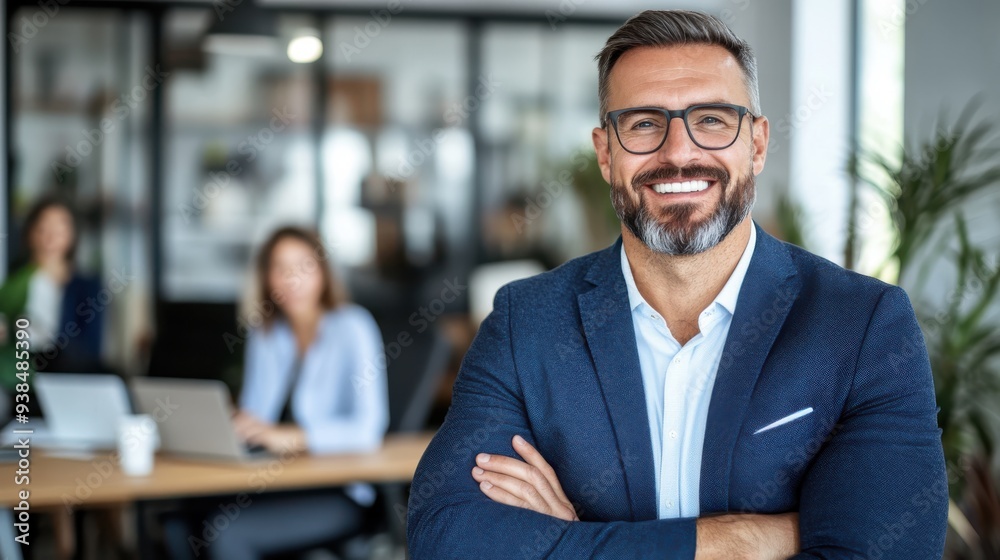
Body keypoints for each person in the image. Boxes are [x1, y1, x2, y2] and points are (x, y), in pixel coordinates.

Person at [408, 10, 948, 560]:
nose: (679, 152)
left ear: (757, 144)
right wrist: (739, 541)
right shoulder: (526, 322)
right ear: (605, 153)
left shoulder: (861, 325)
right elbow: (448, 539)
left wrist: (570, 543)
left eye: (712, 120)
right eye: (644, 123)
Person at [164, 226, 389, 560]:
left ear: (324, 272)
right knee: (178, 523)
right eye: (279, 268)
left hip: (338, 491)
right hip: (276, 479)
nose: (291, 279)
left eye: (303, 266)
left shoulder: (353, 327)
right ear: (266, 278)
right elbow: (259, 416)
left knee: (228, 535)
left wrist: (294, 437)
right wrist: (238, 425)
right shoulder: (267, 333)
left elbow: (369, 428)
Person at [0, 196, 104, 386]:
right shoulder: (15, 284)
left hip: (68, 381)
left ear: (73, 234)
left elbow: (91, 350)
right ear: (30, 232)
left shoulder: (87, 287)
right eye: (43, 228)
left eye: (59, 229)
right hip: (21, 384)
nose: (50, 237)